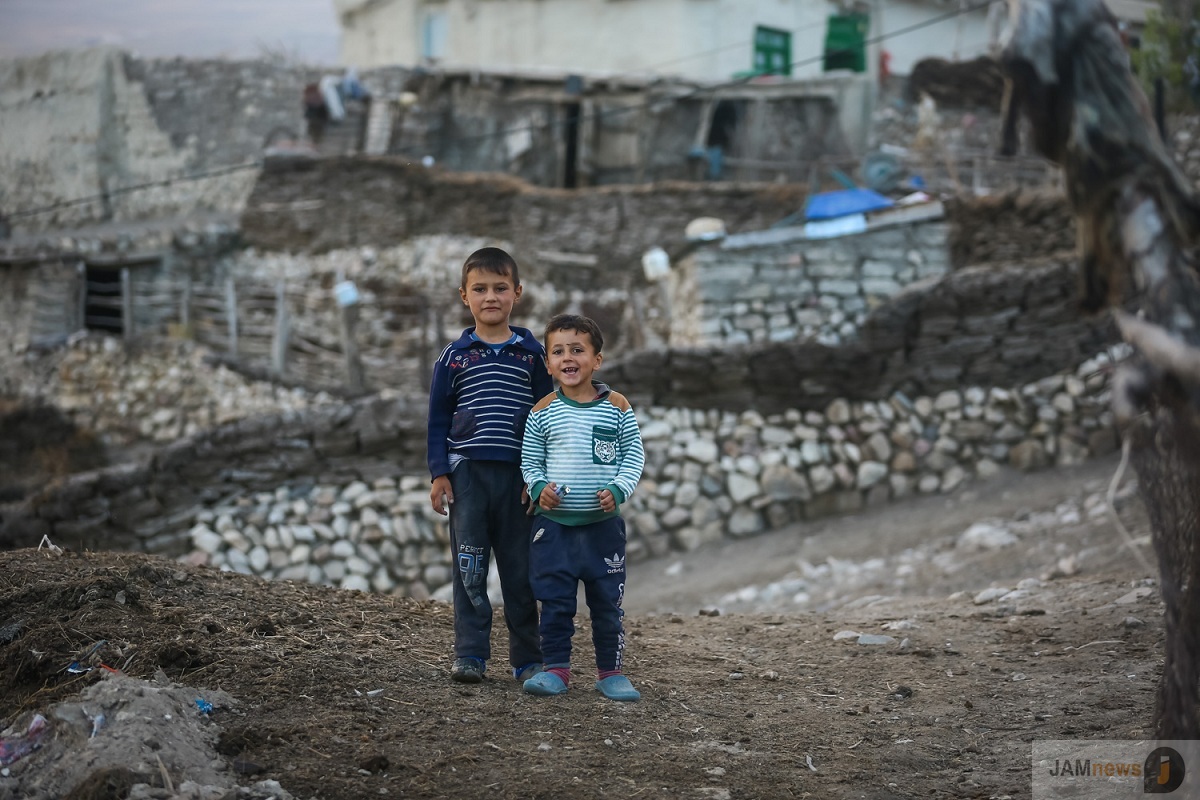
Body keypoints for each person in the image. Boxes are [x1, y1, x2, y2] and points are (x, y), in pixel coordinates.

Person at [427, 247, 551, 684]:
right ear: (464, 296)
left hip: (519, 478)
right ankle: (471, 655)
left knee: (521, 571)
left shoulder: (532, 355)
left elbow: (544, 417)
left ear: (517, 293)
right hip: (468, 476)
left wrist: (538, 476)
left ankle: (528, 659)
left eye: (500, 288)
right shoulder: (454, 357)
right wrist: (439, 472)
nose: (490, 297)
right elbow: (438, 418)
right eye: (480, 289)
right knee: (470, 566)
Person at [519, 314, 646, 702]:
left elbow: (633, 457)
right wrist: (539, 488)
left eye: (577, 350)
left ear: (597, 359)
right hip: (553, 528)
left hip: (602, 528)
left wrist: (618, 489)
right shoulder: (541, 411)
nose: (568, 358)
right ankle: (556, 669)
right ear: (548, 363)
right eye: (558, 351)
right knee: (556, 603)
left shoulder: (617, 406)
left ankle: (611, 673)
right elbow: (529, 461)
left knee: (607, 605)